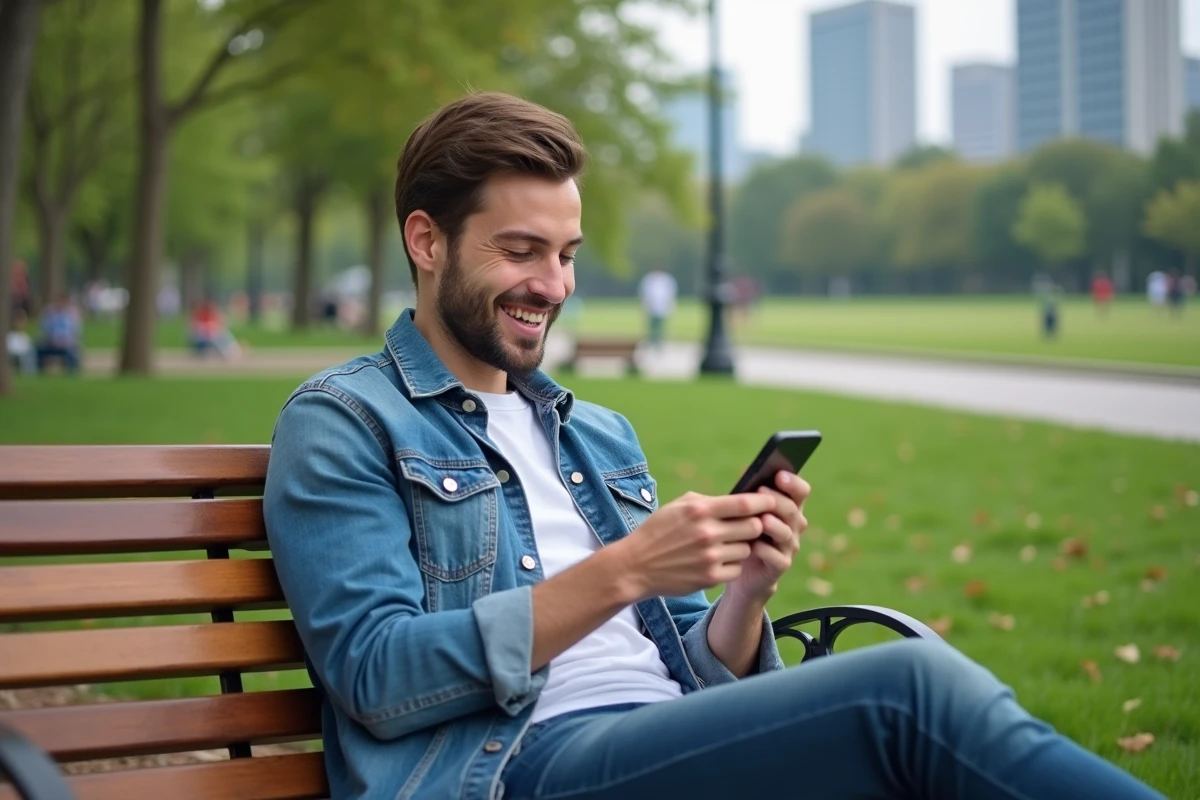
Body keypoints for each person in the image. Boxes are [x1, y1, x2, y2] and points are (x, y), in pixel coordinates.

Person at [262, 92, 1163, 800]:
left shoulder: (596, 433)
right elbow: (377, 675)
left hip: (656, 748)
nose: (553, 284)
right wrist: (623, 571)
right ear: (427, 240)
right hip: (511, 769)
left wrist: (746, 594)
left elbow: (698, 668)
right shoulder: (347, 421)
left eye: (568, 254)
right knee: (907, 691)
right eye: (521, 250)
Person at [35, 293, 82, 374]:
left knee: (72, 353)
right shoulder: (50, 313)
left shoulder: (72, 314)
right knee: (38, 349)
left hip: (67, 344)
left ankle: (72, 372)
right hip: (51, 343)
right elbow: (45, 329)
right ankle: (39, 371)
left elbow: (75, 331)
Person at [637, 267, 676, 350]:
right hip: (652, 306)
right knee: (652, 326)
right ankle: (653, 342)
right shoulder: (649, 280)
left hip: (662, 306)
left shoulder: (666, 280)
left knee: (660, 326)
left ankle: (659, 342)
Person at [6, 309, 36, 376]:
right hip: (14, 355)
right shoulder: (10, 335)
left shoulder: (25, 336)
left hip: (24, 355)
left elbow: (28, 348)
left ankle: (29, 373)